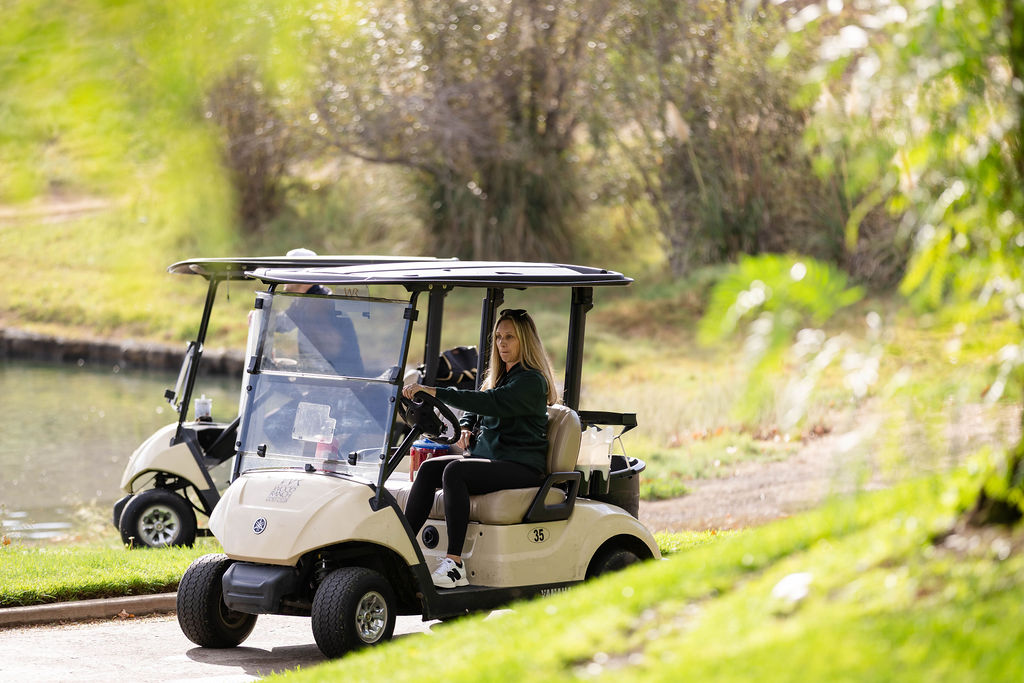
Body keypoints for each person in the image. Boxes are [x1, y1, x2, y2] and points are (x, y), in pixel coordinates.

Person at [402, 308, 559, 588]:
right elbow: (479, 406)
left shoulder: (531, 381)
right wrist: (465, 425)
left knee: (455, 472)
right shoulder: (500, 377)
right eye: (498, 337)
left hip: (522, 466)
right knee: (428, 469)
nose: (502, 343)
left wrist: (434, 391)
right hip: (493, 459)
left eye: (510, 337)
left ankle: (454, 565)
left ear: (525, 341)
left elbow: (490, 402)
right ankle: (400, 550)